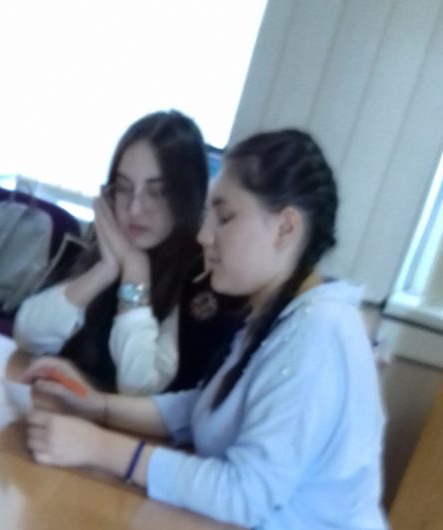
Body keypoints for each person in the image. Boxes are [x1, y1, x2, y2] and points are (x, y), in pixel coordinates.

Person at [20, 129, 388, 529]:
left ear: (285, 228)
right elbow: (205, 406)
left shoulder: (317, 333)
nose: (204, 235)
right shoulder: (281, 314)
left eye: (224, 218)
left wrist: (100, 448)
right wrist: (99, 407)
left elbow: (244, 495)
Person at [13, 110, 245, 395]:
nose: (134, 209)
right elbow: (28, 334)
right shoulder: (113, 248)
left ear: (188, 196)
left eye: (156, 192)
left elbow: (138, 387)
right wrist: (106, 269)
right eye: (124, 188)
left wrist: (136, 274)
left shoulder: (200, 279)